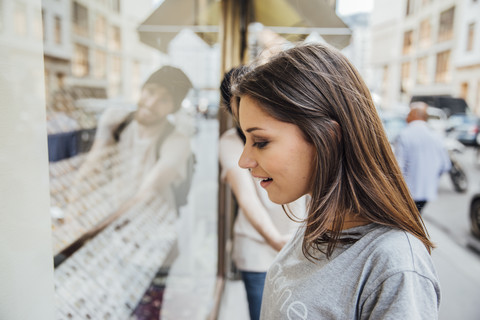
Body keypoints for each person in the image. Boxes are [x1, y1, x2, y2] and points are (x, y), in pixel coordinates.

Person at [231, 43, 440, 319]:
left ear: (327, 137)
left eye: (261, 141)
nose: (244, 160)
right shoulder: (319, 223)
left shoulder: (394, 266)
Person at [219, 67, 306, 320]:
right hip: (259, 251)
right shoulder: (230, 142)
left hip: (298, 242)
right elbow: (246, 199)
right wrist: (280, 244)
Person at [76, 65, 194, 225]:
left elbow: (147, 192)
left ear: (174, 108)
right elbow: (91, 165)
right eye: (151, 91)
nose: (151, 103)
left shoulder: (178, 141)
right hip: (114, 217)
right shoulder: (116, 120)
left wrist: (97, 229)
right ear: (142, 89)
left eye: (164, 99)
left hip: (154, 228)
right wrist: (72, 211)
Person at [394, 102, 451, 213]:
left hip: (407, 193)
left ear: (414, 116)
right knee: (416, 219)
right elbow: (445, 165)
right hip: (426, 192)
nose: (406, 117)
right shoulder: (436, 137)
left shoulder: (404, 135)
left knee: (407, 223)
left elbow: (398, 167)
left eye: (408, 114)